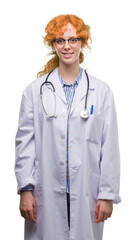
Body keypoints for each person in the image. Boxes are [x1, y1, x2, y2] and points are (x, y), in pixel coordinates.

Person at [15, 14, 121, 240]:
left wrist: (107, 194)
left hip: (87, 192)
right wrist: (25, 190)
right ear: (52, 45)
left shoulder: (101, 92)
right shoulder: (34, 92)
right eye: (60, 40)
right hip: (46, 194)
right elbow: (25, 146)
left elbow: (109, 146)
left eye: (73, 39)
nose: (67, 46)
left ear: (83, 42)